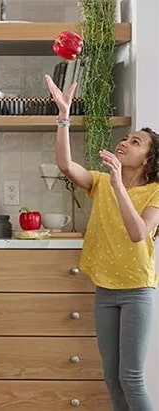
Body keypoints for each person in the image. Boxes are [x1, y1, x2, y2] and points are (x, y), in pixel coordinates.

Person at [46, 75, 158, 411]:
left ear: (149, 160)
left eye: (135, 142)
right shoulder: (101, 182)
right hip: (106, 290)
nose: (124, 143)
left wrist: (119, 186)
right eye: (124, 138)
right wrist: (64, 117)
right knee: (111, 376)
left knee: (132, 377)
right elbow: (65, 165)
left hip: (137, 291)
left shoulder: (154, 191)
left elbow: (139, 232)